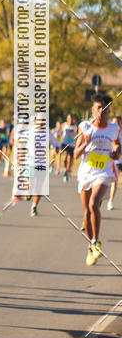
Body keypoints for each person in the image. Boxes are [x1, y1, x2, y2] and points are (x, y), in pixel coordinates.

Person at [74, 93, 121, 265]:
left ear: (109, 111)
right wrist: (85, 143)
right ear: (93, 110)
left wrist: (116, 151)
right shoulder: (85, 127)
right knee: (86, 211)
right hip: (86, 172)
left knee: (94, 203)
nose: (101, 111)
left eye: (105, 108)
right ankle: (90, 246)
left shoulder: (114, 128)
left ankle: (96, 241)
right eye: (98, 108)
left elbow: (117, 148)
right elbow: (76, 154)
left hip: (104, 172)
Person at [107, 116, 122, 209]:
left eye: (119, 123)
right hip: (114, 161)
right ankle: (110, 201)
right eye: (115, 123)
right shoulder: (109, 133)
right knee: (115, 181)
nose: (117, 125)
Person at [61, 115, 77, 183]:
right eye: (68, 118)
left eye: (71, 118)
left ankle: (67, 171)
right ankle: (66, 168)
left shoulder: (75, 126)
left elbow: (78, 134)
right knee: (65, 157)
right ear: (67, 119)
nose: (69, 120)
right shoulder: (64, 125)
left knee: (70, 159)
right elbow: (61, 132)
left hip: (72, 144)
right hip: (65, 143)